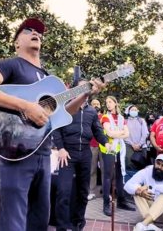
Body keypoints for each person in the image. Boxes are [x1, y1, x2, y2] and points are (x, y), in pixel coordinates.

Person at [0, 17, 105, 230]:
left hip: (42, 152)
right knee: (13, 221)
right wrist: (25, 106)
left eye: (39, 32)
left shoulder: (49, 79)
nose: (36, 33)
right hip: (16, 151)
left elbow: (62, 114)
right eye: (28, 30)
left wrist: (85, 95)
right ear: (16, 42)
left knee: (39, 220)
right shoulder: (11, 65)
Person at [52, 87, 110, 231]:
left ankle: (78, 222)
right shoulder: (65, 108)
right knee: (63, 192)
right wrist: (60, 148)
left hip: (85, 153)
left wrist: (106, 142)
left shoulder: (91, 112)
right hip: (67, 155)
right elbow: (56, 128)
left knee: (83, 192)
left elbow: (97, 130)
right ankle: (62, 226)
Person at [124, 154, 163, 231]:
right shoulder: (147, 171)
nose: (159, 167)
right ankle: (150, 224)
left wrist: (151, 187)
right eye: (158, 163)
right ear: (154, 163)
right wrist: (139, 191)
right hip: (154, 216)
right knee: (138, 190)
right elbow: (127, 185)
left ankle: (143, 224)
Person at [99, 96, 135, 216]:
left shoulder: (121, 118)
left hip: (119, 148)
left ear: (115, 103)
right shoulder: (105, 117)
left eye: (110, 102)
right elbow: (109, 133)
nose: (108, 104)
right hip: (108, 148)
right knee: (108, 176)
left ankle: (121, 201)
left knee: (120, 175)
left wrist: (117, 134)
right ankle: (106, 204)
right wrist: (121, 133)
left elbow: (128, 133)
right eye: (106, 102)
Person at [124, 105, 149, 181]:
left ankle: (141, 183)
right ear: (128, 111)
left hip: (141, 147)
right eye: (132, 109)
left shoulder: (141, 120)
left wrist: (139, 144)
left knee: (141, 165)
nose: (134, 111)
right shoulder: (125, 121)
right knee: (129, 164)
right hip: (129, 146)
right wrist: (132, 144)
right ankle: (130, 183)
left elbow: (145, 133)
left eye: (135, 109)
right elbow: (125, 134)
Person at [88, 98, 104, 200]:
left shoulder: (104, 117)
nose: (96, 105)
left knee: (104, 169)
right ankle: (91, 191)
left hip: (103, 146)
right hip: (92, 145)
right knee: (92, 170)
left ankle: (105, 190)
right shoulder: (88, 116)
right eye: (94, 104)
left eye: (97, 103)